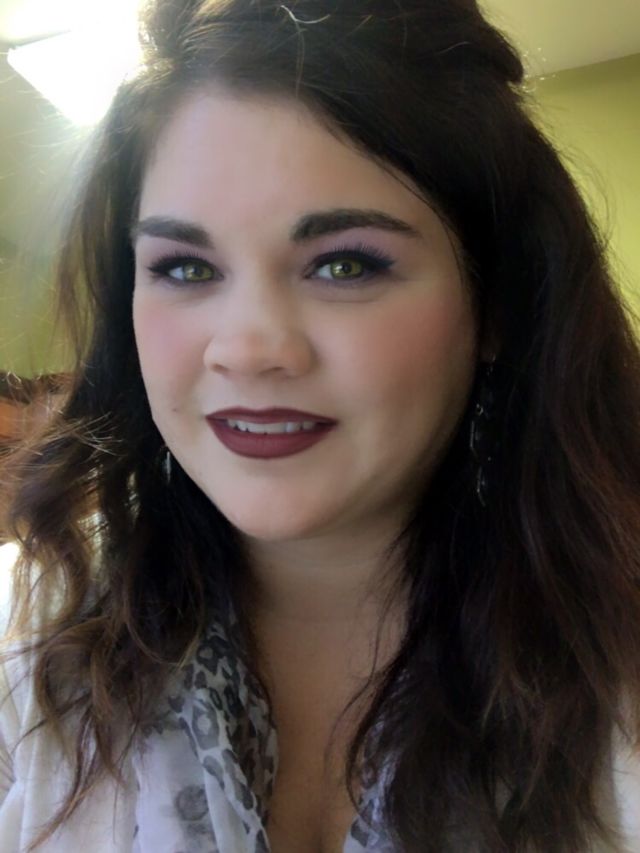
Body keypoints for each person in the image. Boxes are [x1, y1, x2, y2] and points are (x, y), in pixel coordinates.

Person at [1, 0, 640, 850]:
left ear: (495, 305)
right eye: (185, 267)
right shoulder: (25, 635)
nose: (247, 349)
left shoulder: (616, 661)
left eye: (344, 264)